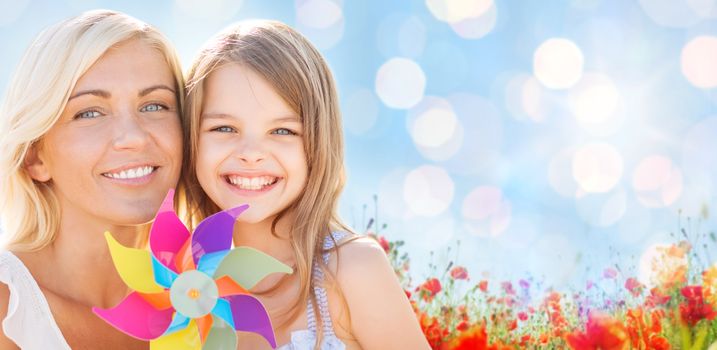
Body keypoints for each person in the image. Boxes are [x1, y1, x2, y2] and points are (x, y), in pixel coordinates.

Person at [184, 20, 430, 349]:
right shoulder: (184, 291)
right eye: (224, 128)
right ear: (191, 138)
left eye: (283, 131)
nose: (252, 154)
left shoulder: (353, 270)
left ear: (317, 142)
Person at [0, 10, 185, 349]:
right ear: (35, 158)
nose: (134, 137)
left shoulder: (198, 303)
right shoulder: (8, 305)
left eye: (155, 106)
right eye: (89, 112)